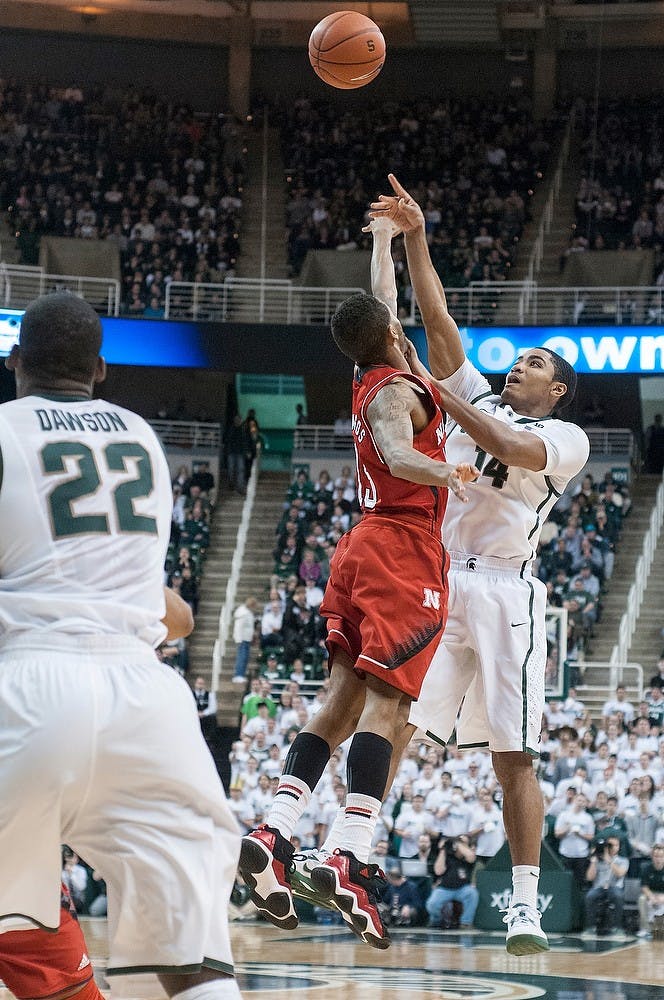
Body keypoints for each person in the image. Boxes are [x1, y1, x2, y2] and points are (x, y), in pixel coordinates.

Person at [368, 174, 590, 955]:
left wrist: (436, 390)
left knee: (514, 754)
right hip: (442, 576)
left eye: (533, 362)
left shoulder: (567, 440)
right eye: (518, 357)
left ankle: (523, 906)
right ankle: (355, 850)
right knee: (395, 717)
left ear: (555, 389)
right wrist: (416, 235)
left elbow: (506, 448)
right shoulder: (477, 396)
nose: (518, 365)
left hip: (504, 593)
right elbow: (438, 321)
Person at [0, 293, 242, 999]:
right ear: (101, 369)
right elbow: (159, 604)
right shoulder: (141, 437)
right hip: (147, 699)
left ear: (15, 362)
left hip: (32, 686)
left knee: (17, 924)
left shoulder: (5, 430)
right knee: (192, 953)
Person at [238, 247, 477, 947]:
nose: (405, 326)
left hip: (359, 547)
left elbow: (380, 302)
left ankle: (275, 832)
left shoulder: (372, 365)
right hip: (401, 548)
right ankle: (348, 850)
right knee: (390, 706)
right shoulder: (398, 391)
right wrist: (451, 472)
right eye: (398, 324)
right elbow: (400, 456)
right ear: (393, 336)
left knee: (337, 703)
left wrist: (382, 243)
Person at [584, 836, 629, 934]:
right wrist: (593, 862)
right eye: (610, 845)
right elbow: (589, 878)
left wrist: (609, 860)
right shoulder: (597, 859)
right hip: (599, 888)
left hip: (615, 887)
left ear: (619, 847)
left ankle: (617, 928)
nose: (612, 847)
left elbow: (620, 873)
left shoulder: (623, 860)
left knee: (618, 896)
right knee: (590, 896)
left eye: (615, 845)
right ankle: (591, 928)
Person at [637, 843, 664, 938]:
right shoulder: (646, 868)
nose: (658, 859)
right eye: (656, 856)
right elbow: (644, 886)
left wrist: (662, 898)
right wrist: (651, 897)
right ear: (652, 857)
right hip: (651, 894)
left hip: (663, 895)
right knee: (642, 899)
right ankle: (645, 929)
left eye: (661, 856)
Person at [232, 596, 257, 683]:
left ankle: (241, 674)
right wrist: (239, 640)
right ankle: (238, 675)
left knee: (245, 658)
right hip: (242, 639)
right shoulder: (243, 614)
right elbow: (239, 627)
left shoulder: (248, 613)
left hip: (247, 639)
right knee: (241, 657)